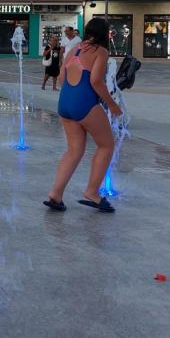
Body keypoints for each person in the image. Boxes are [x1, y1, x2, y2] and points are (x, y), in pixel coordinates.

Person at [43, 17, 123, 213]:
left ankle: (55, 194)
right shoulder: (101, 51)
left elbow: (62, 75)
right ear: (105, 34)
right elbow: (96, 80)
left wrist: (72, 94)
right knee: (106, 145)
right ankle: (92, 192)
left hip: (65, 103)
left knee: (74, 150)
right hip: (84, 104)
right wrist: (112, 105)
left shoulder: (75, 49)